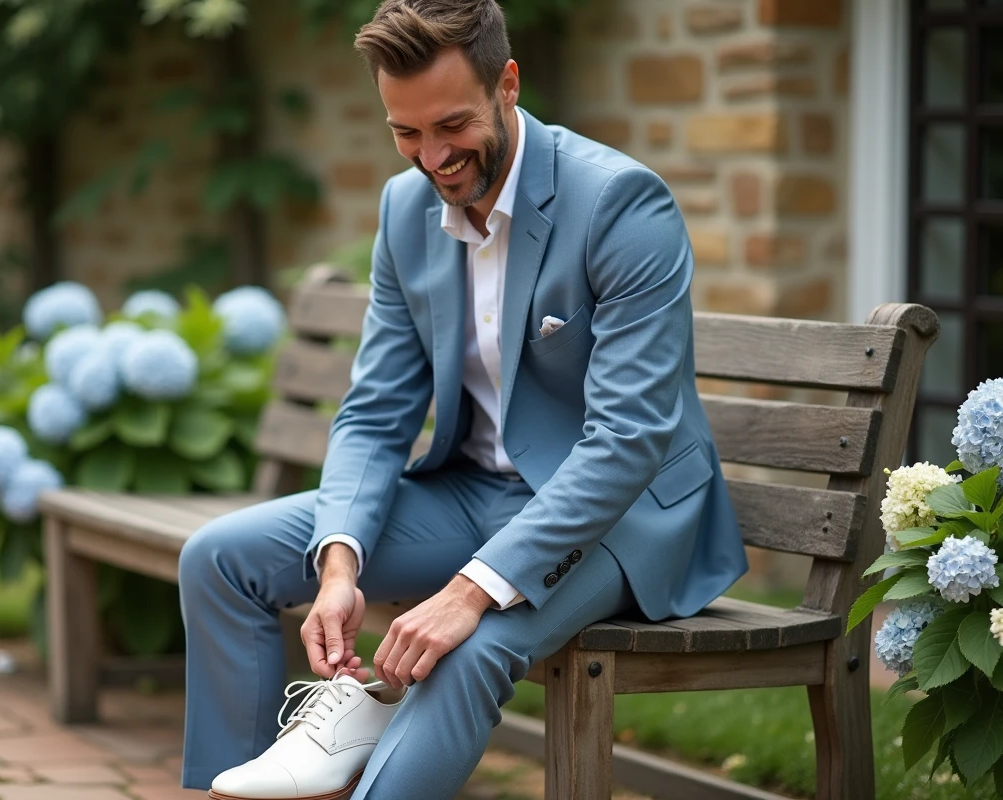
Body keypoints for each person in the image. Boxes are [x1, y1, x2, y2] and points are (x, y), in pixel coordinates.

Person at [178, 1, 749, 798]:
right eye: (406, 133)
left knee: (468, 646)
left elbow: (628, 439)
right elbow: (377, 412)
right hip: (472, 493)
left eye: (452, 125)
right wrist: (340, 566)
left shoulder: (620, 203)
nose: (434, 158)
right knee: (221, 559)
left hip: (624, 515)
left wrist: (467, 591)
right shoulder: (403, 211)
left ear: (506, 84)